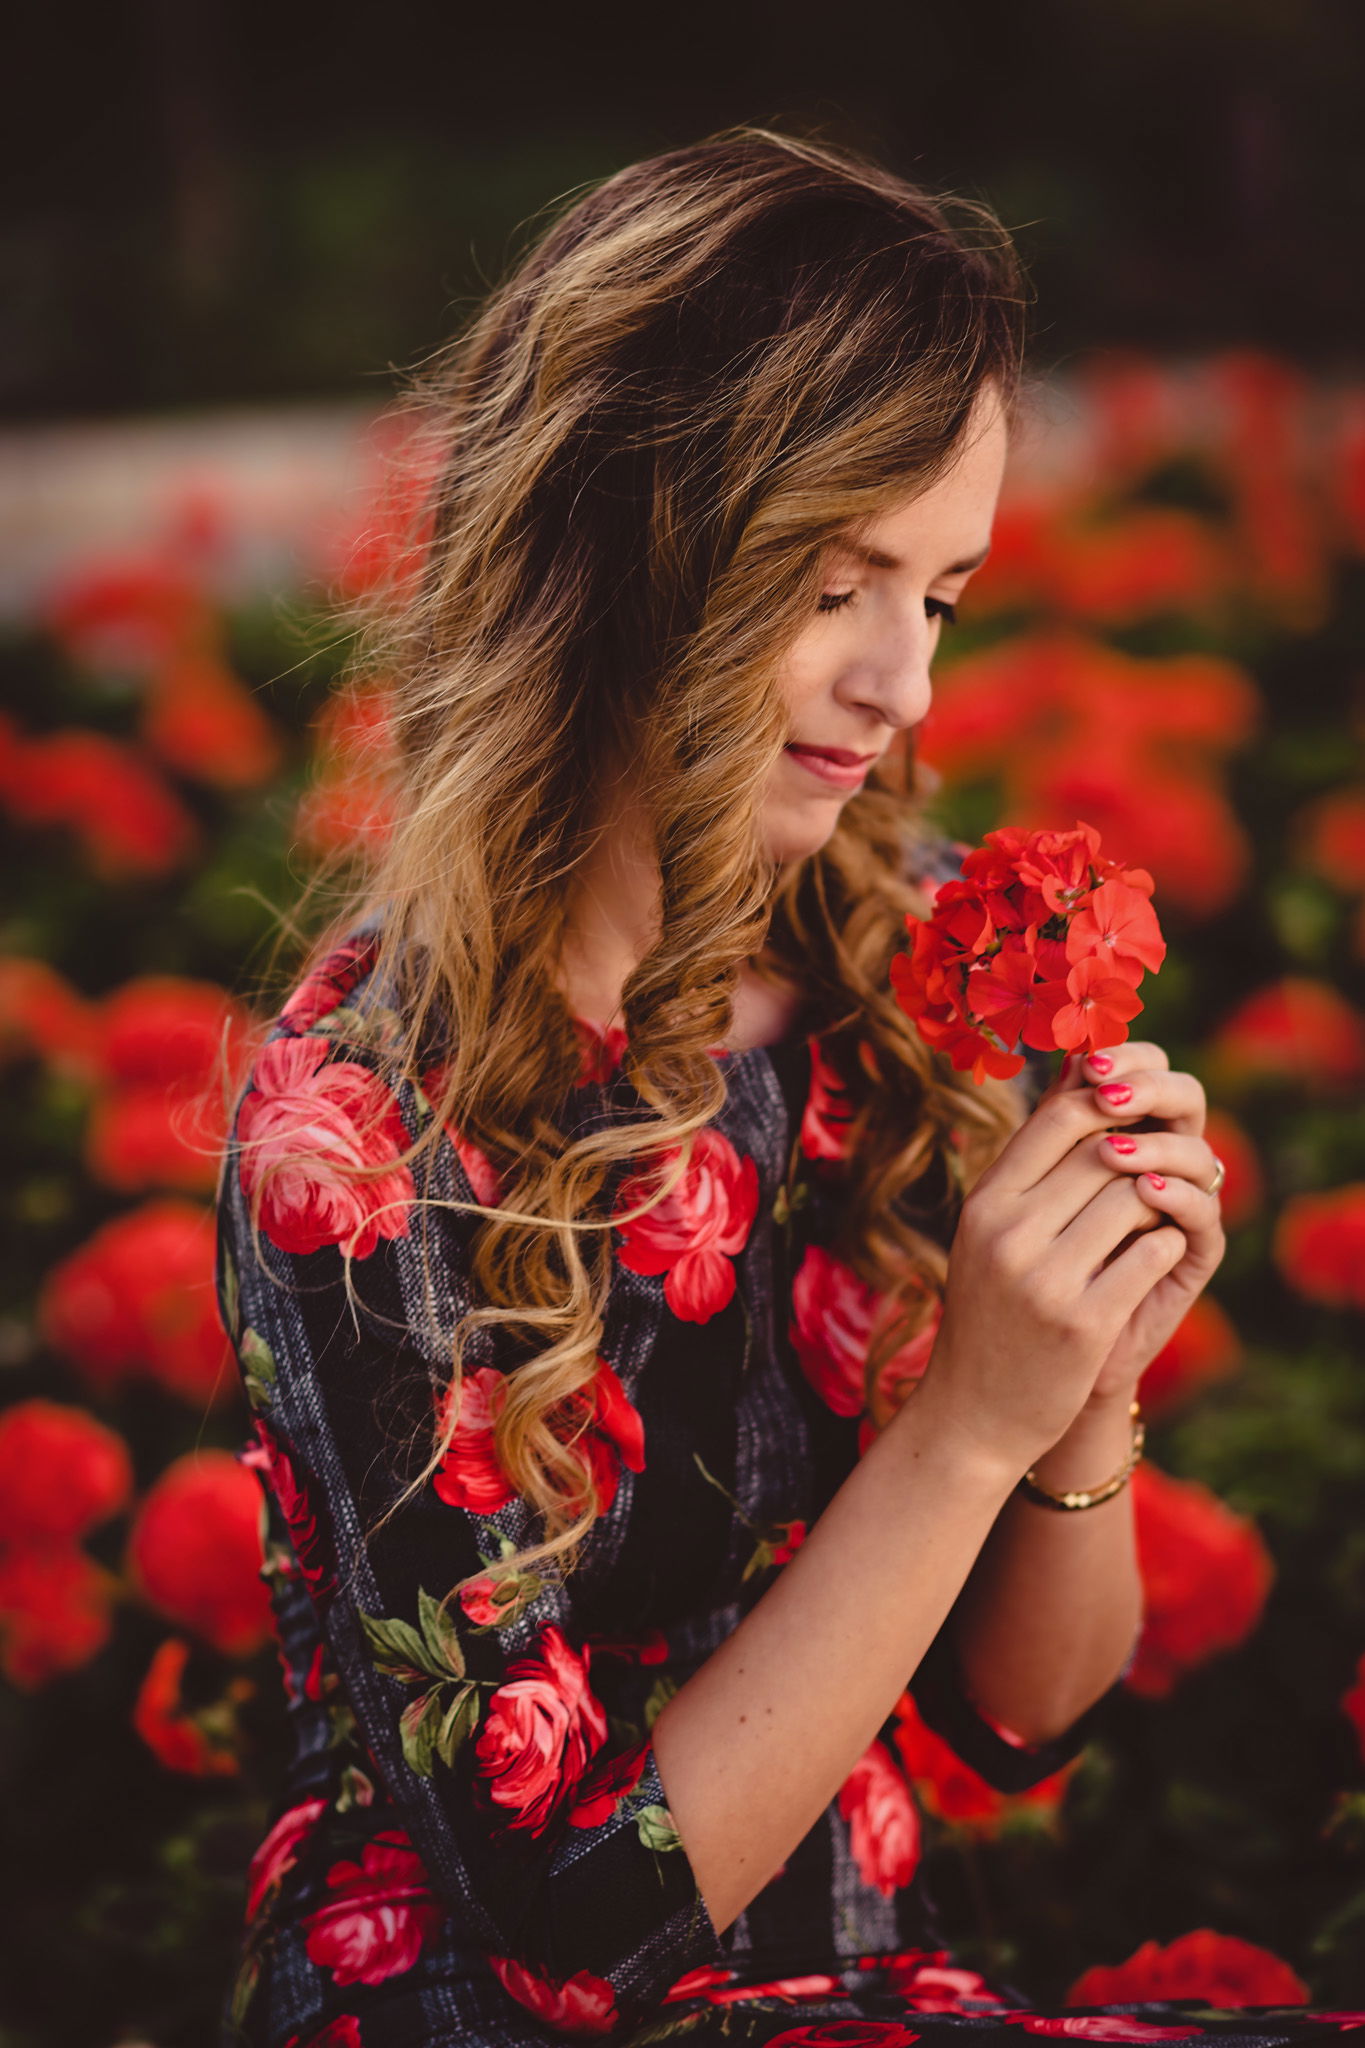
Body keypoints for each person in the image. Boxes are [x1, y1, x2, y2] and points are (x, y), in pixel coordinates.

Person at [216, 130, 1350, 2048]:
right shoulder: (364, 1132)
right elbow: (569, 1923)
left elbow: (1020, 1713)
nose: (904, 685)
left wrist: (1083, 1378)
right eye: (835, 586)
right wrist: (959, 1424)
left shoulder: (902, 969)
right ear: (611, 545)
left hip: (858, 1973)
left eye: (946, 595)